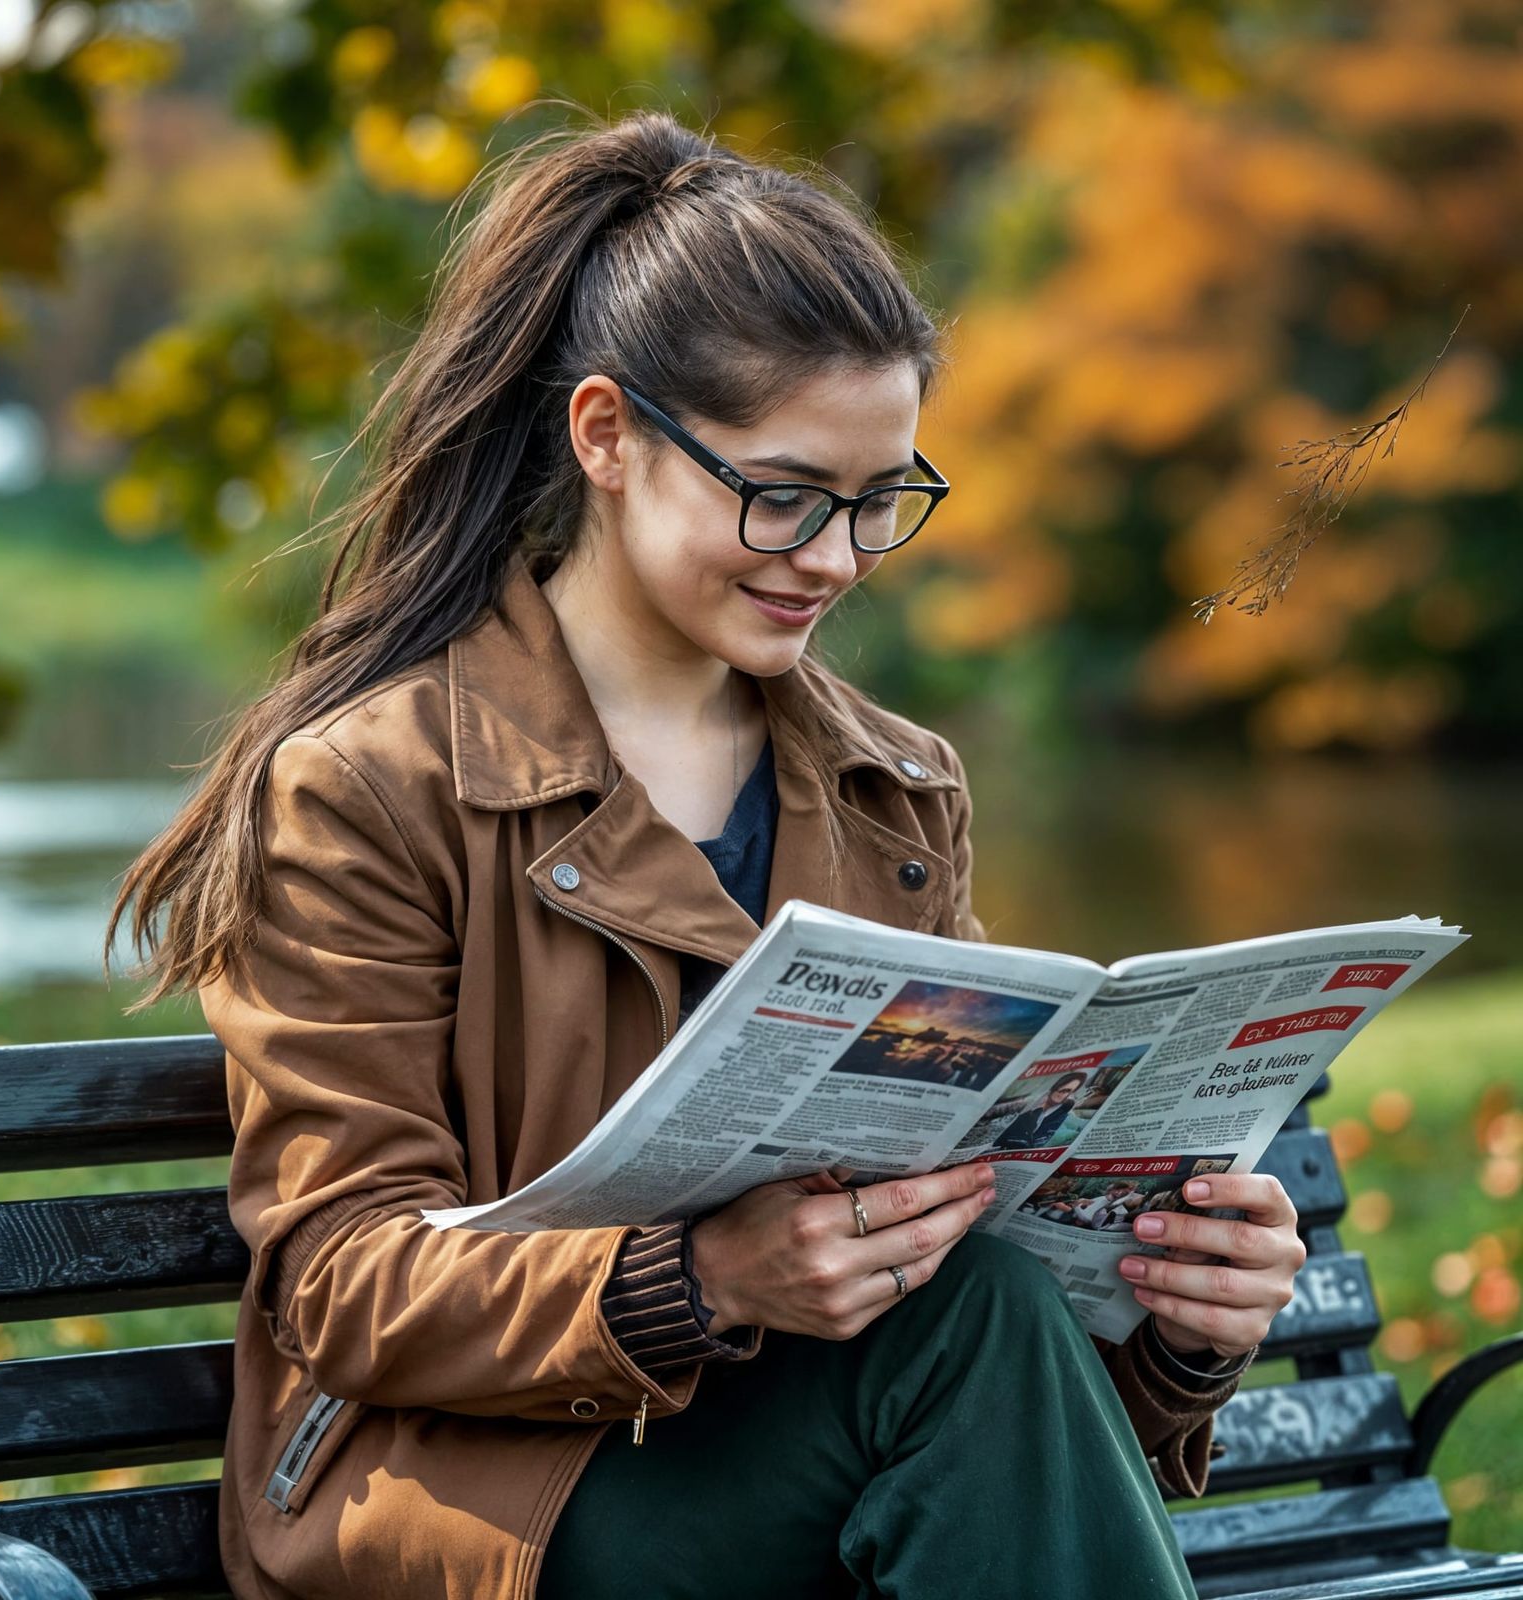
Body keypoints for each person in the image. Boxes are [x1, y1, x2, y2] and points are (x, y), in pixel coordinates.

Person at [106, 106, 1306, 1600]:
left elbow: (983, 1264)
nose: (836, 558)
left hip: (801, 1445)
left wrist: (1177, 1314)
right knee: (975, 1325)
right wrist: (706, 1279)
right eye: (784, 493)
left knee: (989, 1299)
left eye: (883, 503)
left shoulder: (895, 784)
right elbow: (344, 1285)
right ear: (607, 436)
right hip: (481, 1503)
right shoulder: (370, 786)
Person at [991, 1070, 1089, 1149]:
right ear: (1056, 1085)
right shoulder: (1026, 1103)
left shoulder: (1063, 1109)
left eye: (1071, 1092)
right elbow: (995, 1112)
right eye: (1065, 1090)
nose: (1066, 1095)